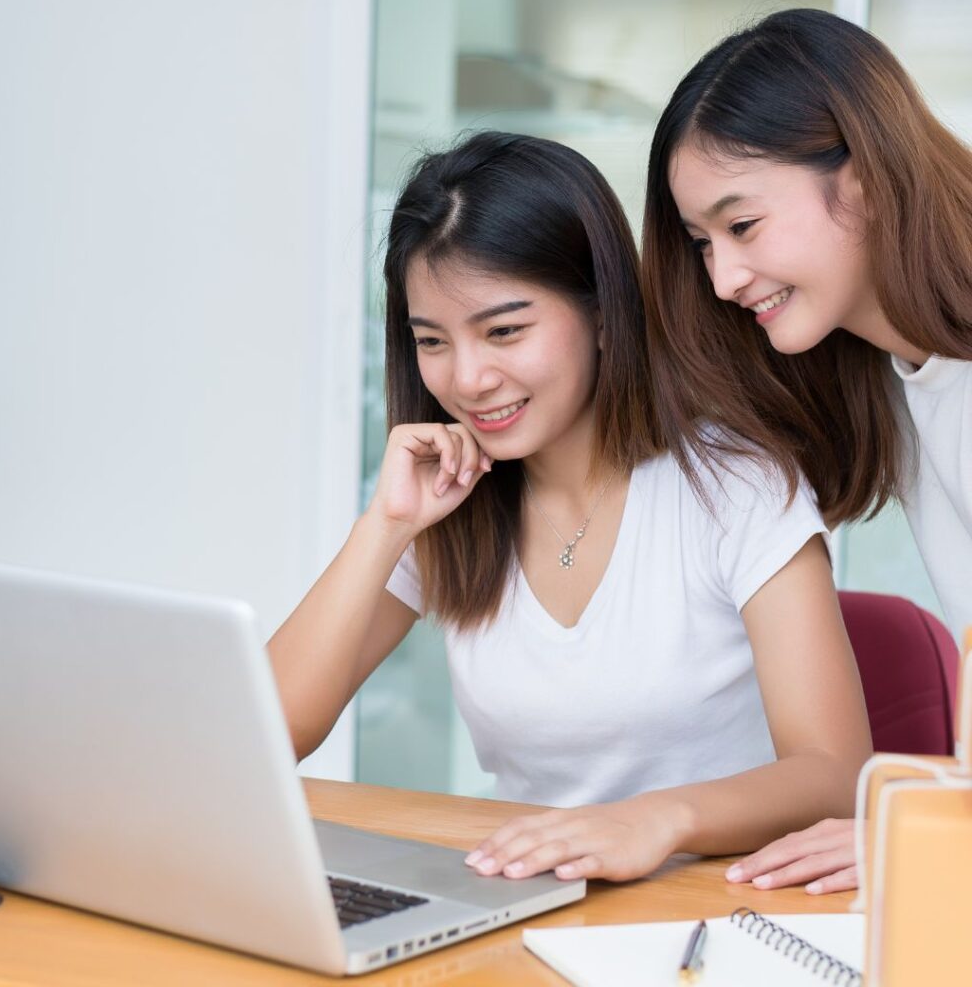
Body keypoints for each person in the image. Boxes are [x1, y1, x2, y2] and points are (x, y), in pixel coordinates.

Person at [268, 130, 870, 884]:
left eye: (505, 330)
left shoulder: (734, 482)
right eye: (432, 340)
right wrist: (384, 527)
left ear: (603, 314)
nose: (468, 378)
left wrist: (654, 818)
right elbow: (263, 738)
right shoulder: (453, 502)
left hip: (710, 906)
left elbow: (836, 773)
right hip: (528, 902)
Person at [642, 7, 971, 895]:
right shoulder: (899, 381)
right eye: (702, 243)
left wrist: (938, 832)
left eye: (741, 226)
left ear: (862, 179)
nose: (722, 279)